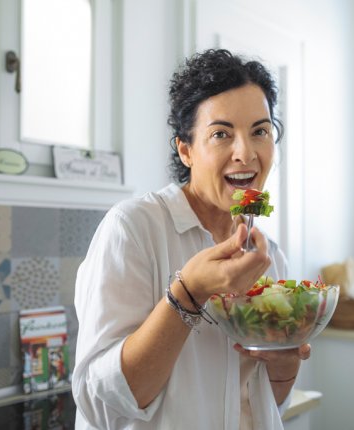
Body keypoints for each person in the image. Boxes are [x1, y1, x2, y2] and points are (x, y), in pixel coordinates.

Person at [72, 49, 311, 430]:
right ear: (185, 150)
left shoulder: (268, 256)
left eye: (260, 131)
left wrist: (284, 363)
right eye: (221, 134)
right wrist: (188, 293)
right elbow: (100, 403)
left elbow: (260, 401)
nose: (245, 153)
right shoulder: (133, 227)